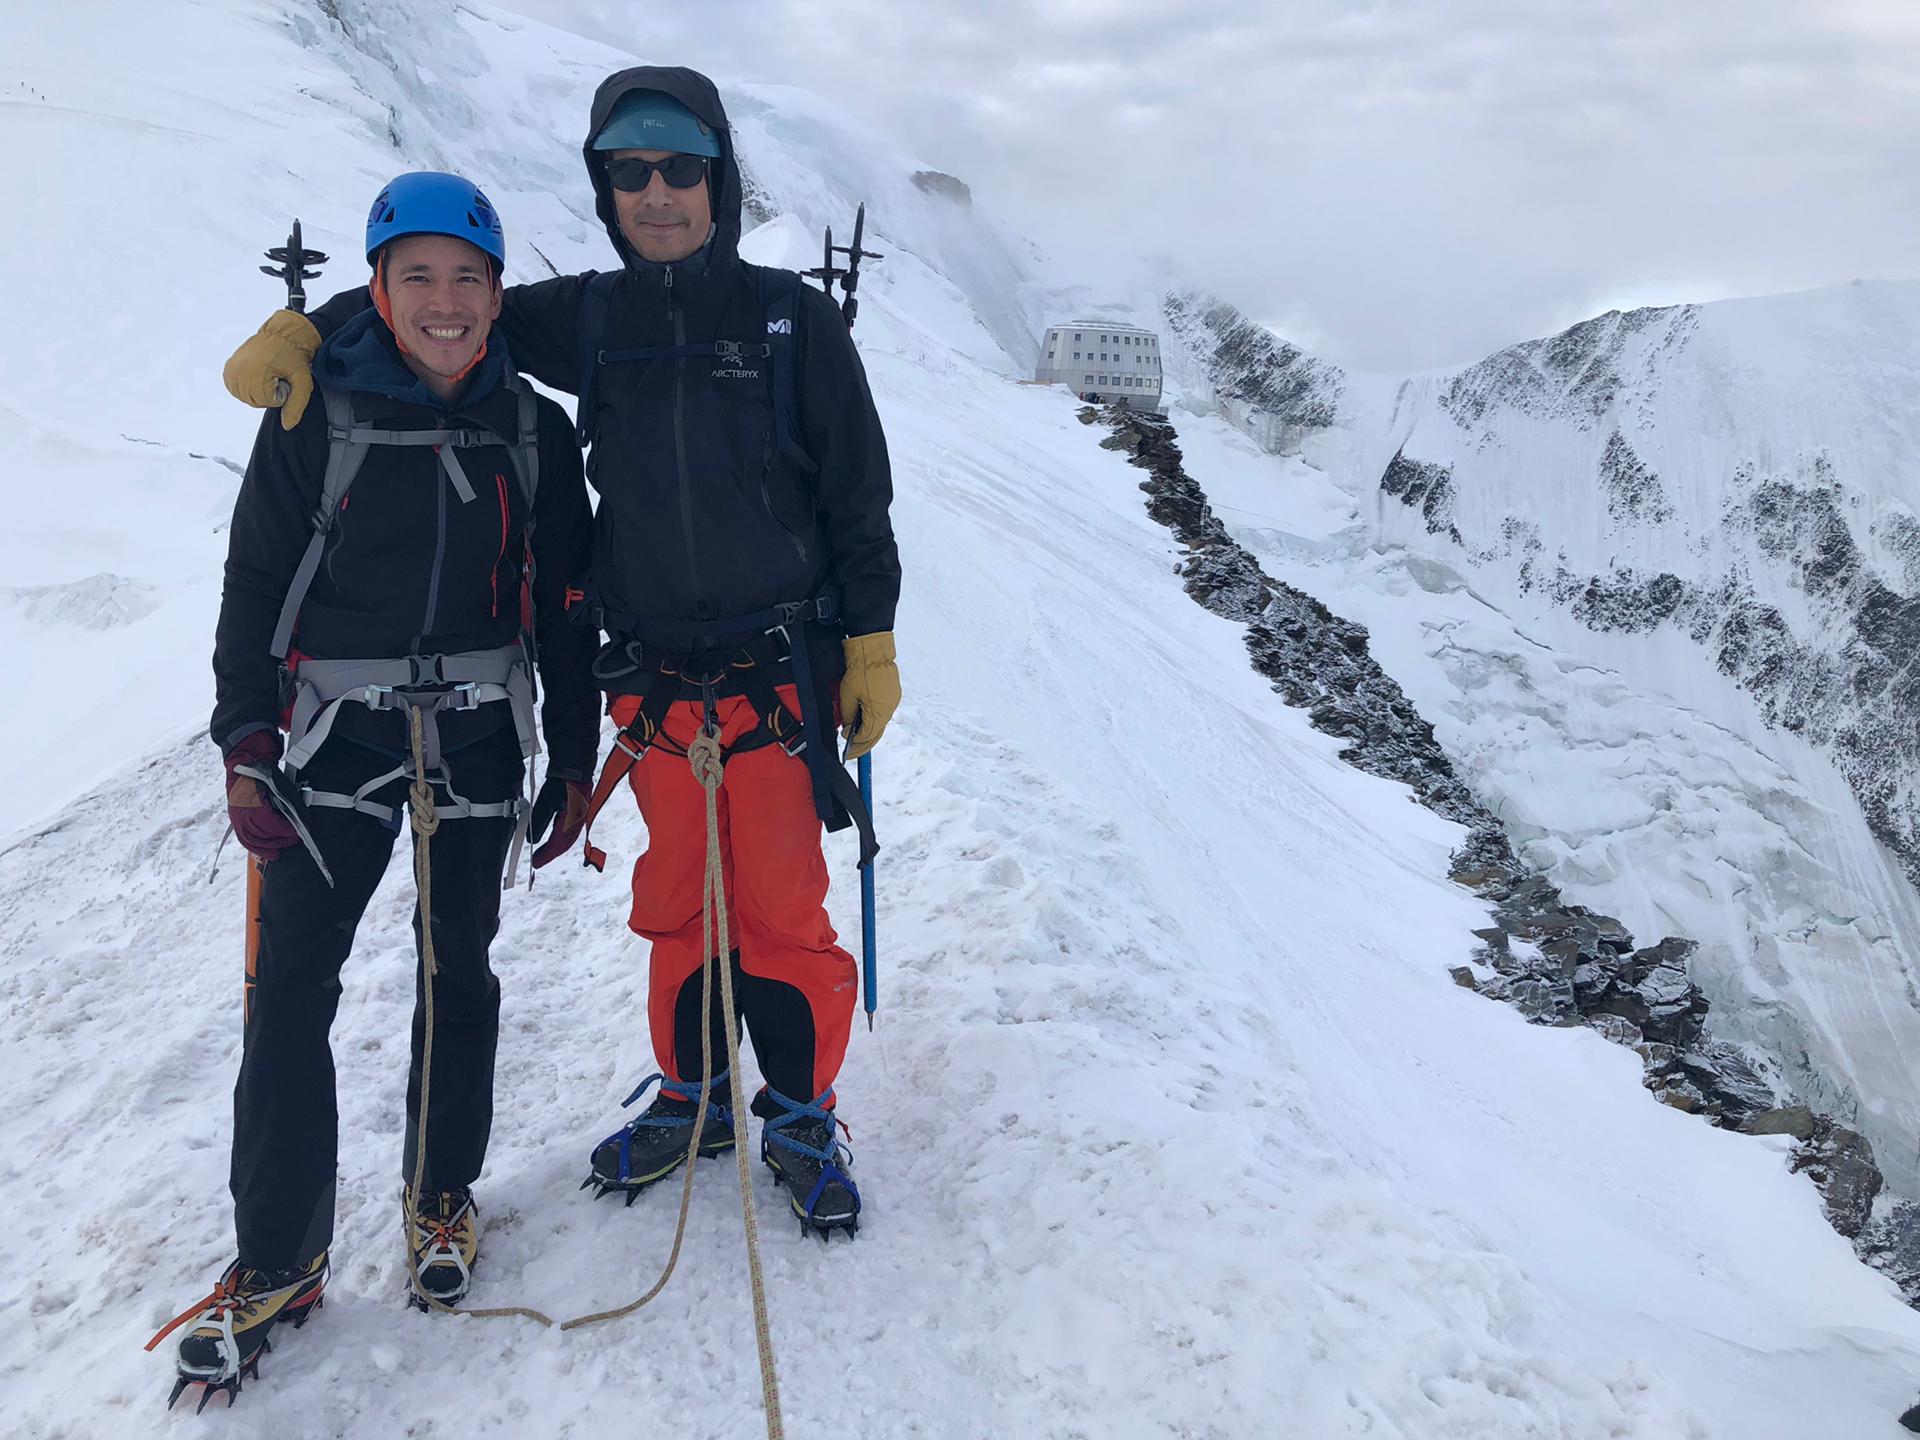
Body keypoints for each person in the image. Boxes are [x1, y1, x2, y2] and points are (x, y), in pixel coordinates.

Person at [222, 67, 903, 1240]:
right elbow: (438, 307)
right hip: (653, 679)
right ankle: (696, 1097)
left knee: (783, 910)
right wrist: (308, 326)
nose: (655, 193)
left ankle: (798, 1108)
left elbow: (858, 497)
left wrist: (871, 638)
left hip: (779, 674)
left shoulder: (797, 320)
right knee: (678, 904)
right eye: (628, 172)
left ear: (718, 181)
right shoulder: (588, 318)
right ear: (605, 189)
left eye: (679, 169)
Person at [153, 171, 598, 1407]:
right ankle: (280, 1258)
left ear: (501, 294)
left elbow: (567, 601)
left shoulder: (536, 430)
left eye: (469, 279)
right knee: (290, 987)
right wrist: (244, 738)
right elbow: (253, 579)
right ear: (378, 289)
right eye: (419, 279)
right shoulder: (312, 410)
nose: (446, 304)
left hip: (476, 730)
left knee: (462, 963)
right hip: (329, 740)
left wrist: (576, 744)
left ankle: (439, 1193)